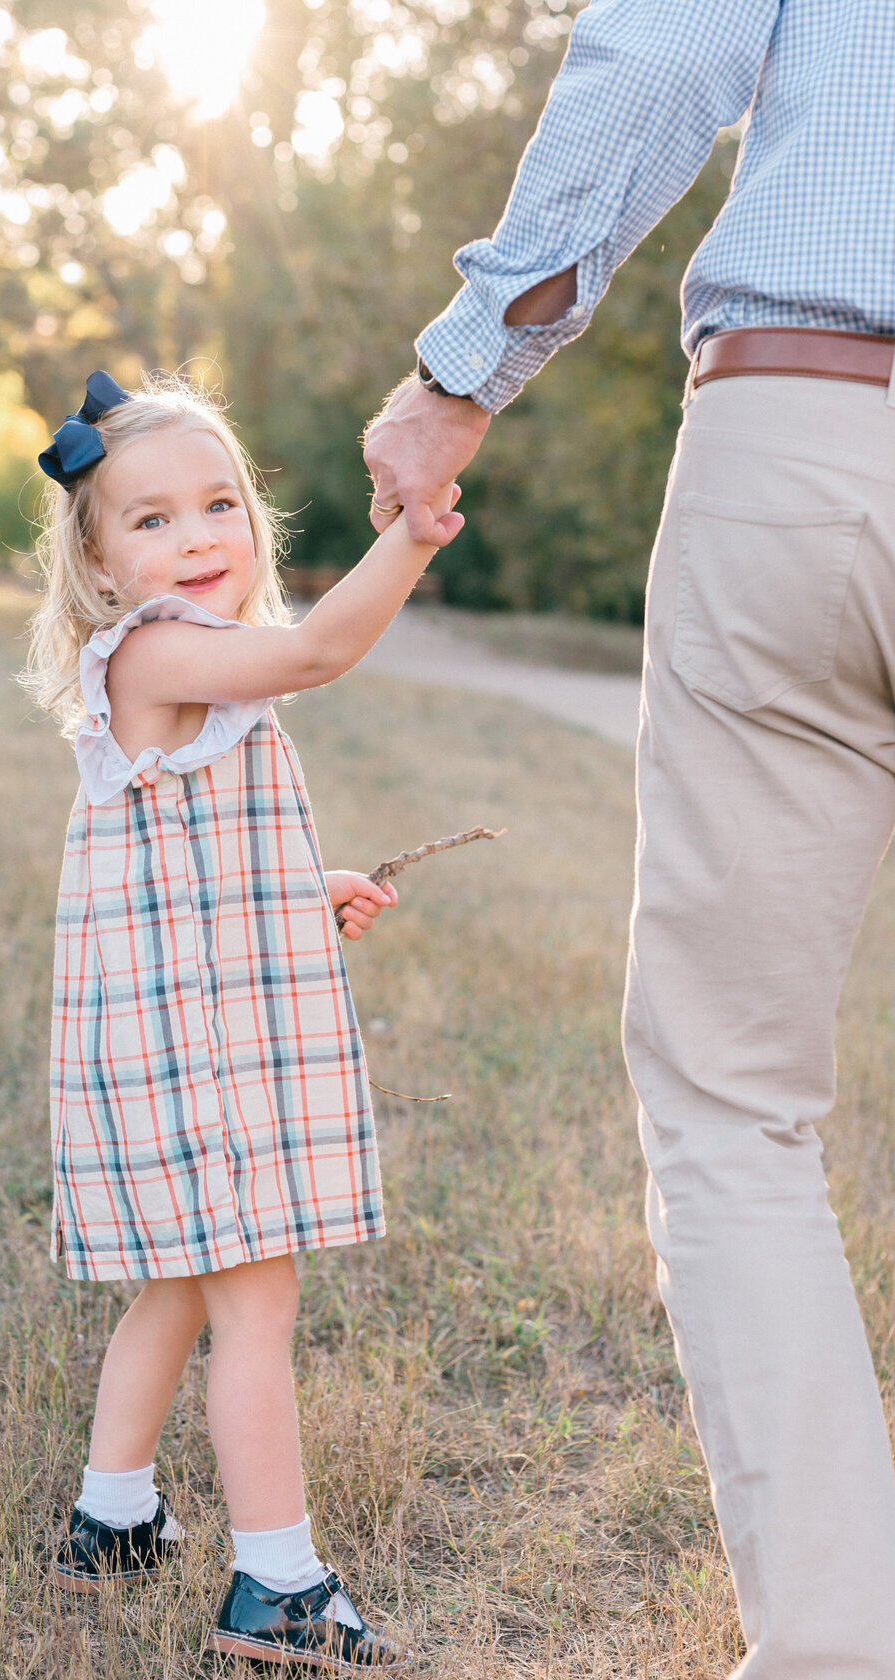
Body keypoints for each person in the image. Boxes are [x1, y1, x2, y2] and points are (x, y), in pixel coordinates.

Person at [363, 2, 895, 1675]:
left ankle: (835, 1647)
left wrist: (467, 372)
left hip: (811, 444)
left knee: (736, 1097)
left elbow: (663, 62)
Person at [20, 370, 461, 1670]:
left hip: (171, 1031)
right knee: (255, 1301)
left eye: (218, 503)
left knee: (184, 1283)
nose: (198, 535)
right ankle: (279, 1583)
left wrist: (301, 889)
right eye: (150, 520)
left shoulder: (180, 670)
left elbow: (187, 859)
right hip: (191, 1052)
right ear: (98, 566)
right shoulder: (155, 651)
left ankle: (114, 1521)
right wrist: (409, 534)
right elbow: (321, 651)